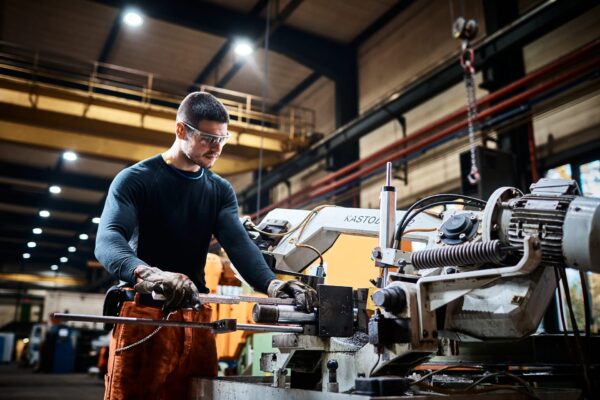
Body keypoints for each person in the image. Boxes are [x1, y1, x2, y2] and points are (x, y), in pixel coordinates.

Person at [95, 92, 317, 400]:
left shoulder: (219, 190)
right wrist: (150, 275)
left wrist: (274, 285)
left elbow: (239, 245)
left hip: (196, 318)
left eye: (222, 139)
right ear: (181, 130)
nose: (216, 148)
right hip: (145, 315)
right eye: (207, 139)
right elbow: (108, 240)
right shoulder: (135, 180)